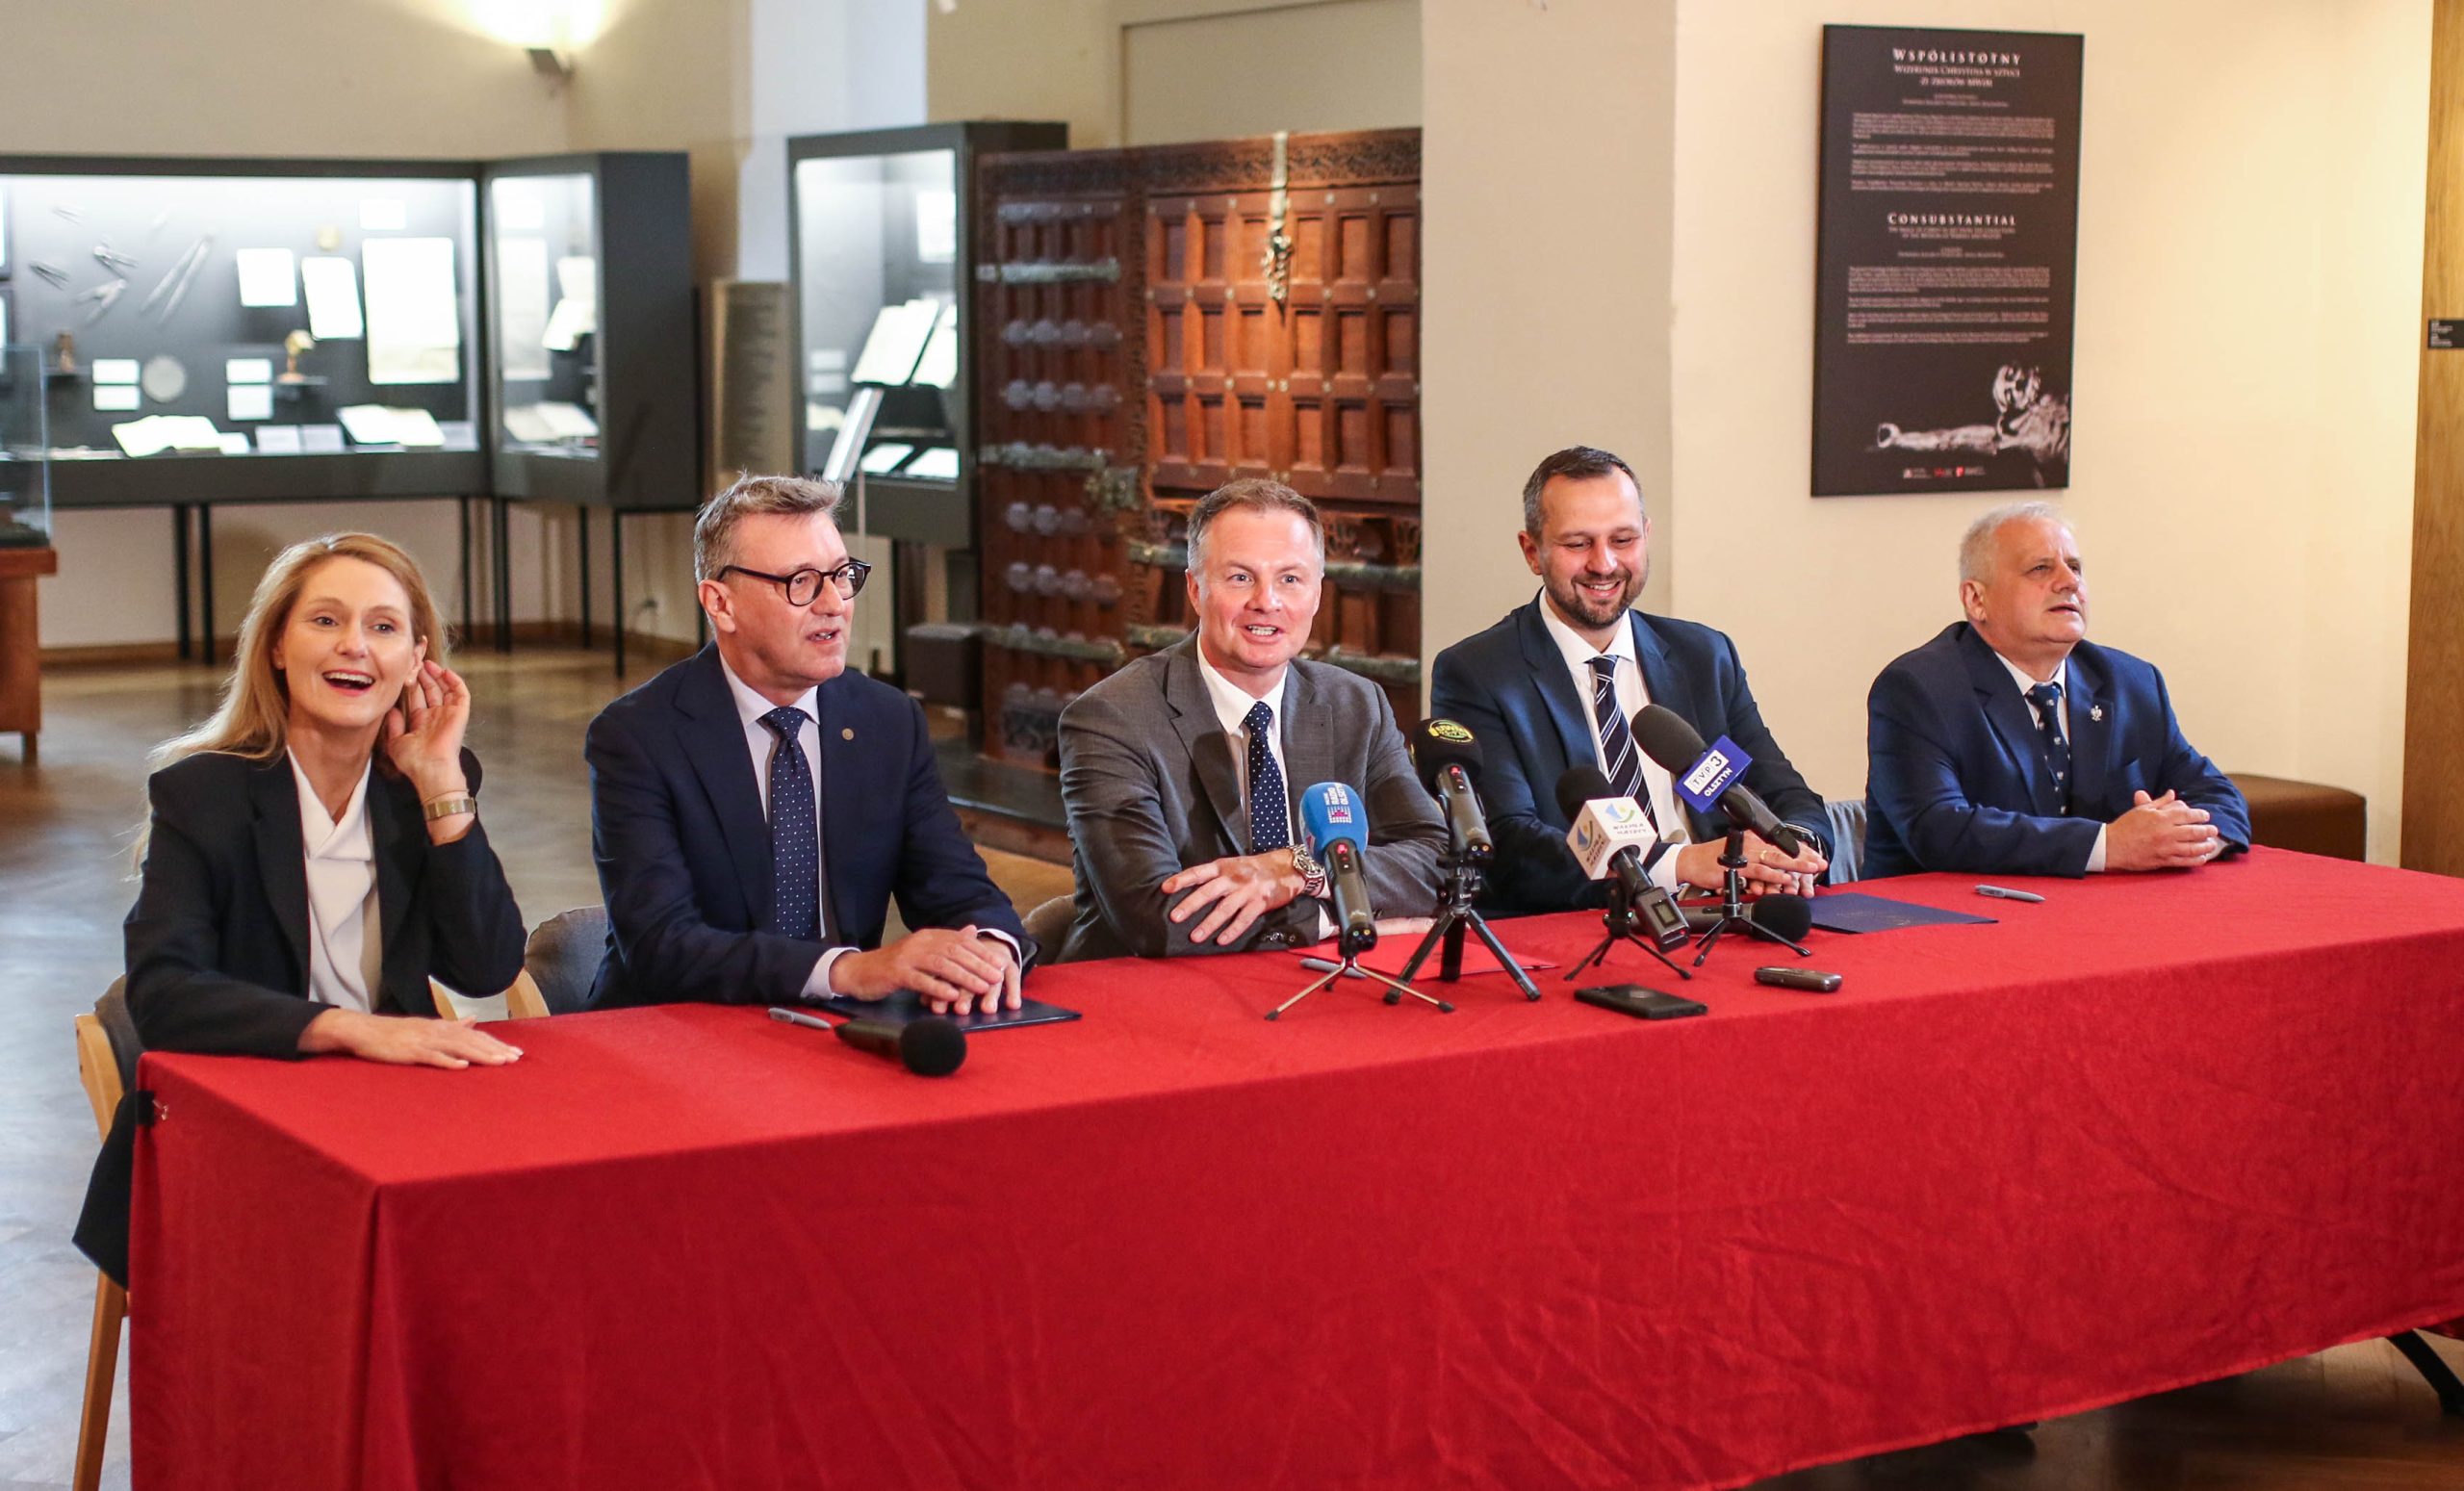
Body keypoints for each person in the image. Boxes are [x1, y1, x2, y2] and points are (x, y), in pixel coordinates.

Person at [81, 533, 527, 1283]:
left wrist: (443, 787)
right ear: (277, 647)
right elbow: (163, 994)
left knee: (516, 1238)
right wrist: (355, 1029)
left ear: (416, 659)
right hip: (244, 1120)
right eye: (325, 620)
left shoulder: (421, 785)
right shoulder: (204, 793)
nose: (355, 644)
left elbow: (486, 966)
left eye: (383, 626)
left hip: (393, 1117)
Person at [585, 475, 1027, 1014]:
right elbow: (661, 946)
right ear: (721, 604)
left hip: (837, 1027)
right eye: (801, 582)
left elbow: (958, 889)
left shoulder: (888, 721)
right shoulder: (638, 736)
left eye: (841, 576)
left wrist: (990, 947)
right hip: (681, 1026)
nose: (834, 603)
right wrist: (845, 970)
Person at [1056, 478, 1447, 961]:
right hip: (1149, 989)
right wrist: (1332, 919)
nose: (1267, 601)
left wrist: (1296, 869)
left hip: (1316, 986)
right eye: (1240, 578)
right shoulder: (1112, 718)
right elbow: (1154, 918)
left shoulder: (1356, 704)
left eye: (1290, 579)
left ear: (1317, 594)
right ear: (1195, 589)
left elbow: (1436, 862)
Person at [1428, 446, 1828, 915]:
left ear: (1646, 536)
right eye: (1578, 544)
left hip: (1722, 917)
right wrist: (1678, 864)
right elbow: (1512, 845)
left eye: (1623, 540)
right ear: (1532, 552)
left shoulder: (1703, 655)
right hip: (1585, 927)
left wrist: (1789, 854)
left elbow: (1785, 793)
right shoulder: (1478, 672)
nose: (1604, 564)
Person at [1862, 501, 2249, 879]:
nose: (2069, 582)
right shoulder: (1918, 689)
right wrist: (2109, 845)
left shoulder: (2130, 681)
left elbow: (2218, 795)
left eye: (2075, 567)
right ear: (1976, 599)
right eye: (2040, 568)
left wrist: (2186, 841)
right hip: (1944, 913)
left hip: (2094, 912)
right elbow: (1939, 830)